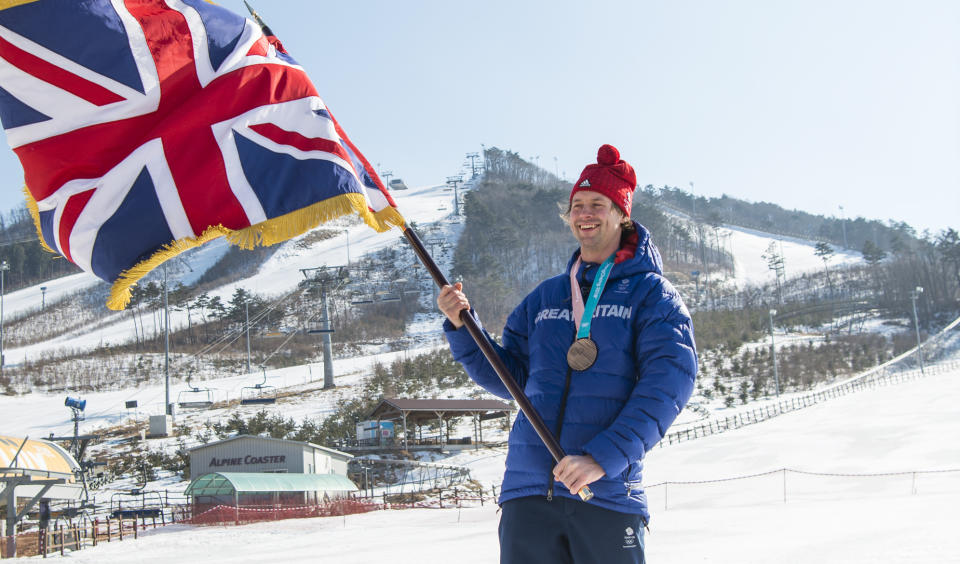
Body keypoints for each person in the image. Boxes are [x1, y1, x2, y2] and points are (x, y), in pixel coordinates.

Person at [438, 144, 698, 563]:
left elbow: (667, 388)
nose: (585, 213)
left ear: (621, 214)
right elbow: (511, 380)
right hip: (527, 492)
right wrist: (463, 328)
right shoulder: (547, 297)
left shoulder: (653, 295)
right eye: (577, 204)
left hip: (605, 493)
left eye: (598, 203)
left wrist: (601, 458)